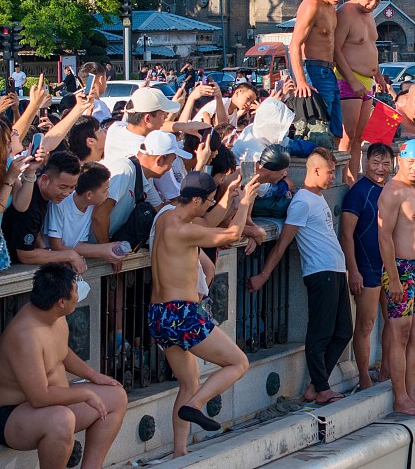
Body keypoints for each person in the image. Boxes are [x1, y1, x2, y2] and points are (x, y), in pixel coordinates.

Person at [149, 171, 257, 457]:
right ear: (195, 199)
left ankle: (179, 452)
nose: (210, 206)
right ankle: (194, 406)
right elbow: (232, 234)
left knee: (189, 381)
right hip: (181, 313)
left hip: (159, 315)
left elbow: (207, 222)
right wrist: (245, 201)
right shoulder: (185, 231)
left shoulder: (166, 217)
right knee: (238, 363)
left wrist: (227, 195)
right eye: (207, 201)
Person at [0, 263, 127, 468]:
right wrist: (86, 394)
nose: (78, 294)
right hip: (7, 415)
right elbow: (40, 397)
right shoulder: (26, 336)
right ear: (61, 302)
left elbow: (62, 352)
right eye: (75, 290)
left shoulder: (53, 314)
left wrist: (94, 376)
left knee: (116, 396)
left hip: (48, 404)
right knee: (62, 420)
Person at [250, 149, 352, 404]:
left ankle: (316, 386)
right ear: (315, 170)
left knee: (343, 332)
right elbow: (283, 243)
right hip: (320, 272)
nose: (332, 177)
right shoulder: (302, 202)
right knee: (320, 334)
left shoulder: (317, 198)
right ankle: (321, 388)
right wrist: (263, 275)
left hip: (336, 270)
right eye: (330, 172)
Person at [376, 139, 415, 416]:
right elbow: (384, 237)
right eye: (411, 162)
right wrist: (394, 277)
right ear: (400, 160)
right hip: (399, 269)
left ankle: (412, 393)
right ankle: (400, 397)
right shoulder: (392, 192)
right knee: (399, 334)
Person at [340, 143, 394, 391]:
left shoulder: (393, 190)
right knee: (366, 323)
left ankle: (385, 370)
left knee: (393, 320)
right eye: (375, 163)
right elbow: (347, 235)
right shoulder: (358, 192)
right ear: (365, 162)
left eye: (385, 163)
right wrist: (354, 270)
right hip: (367, 266)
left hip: (390, 266)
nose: (380, 169)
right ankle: (363, 376)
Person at [334, 0, 389, 183]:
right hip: (348, 79)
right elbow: (336, 51)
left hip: (368, 81)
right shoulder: (346, 12)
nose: (374, 3)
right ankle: (343, 179)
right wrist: (352, 79)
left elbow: (369, 48)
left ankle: (353, 178)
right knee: (347, 136)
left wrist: (379, 76)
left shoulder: (370, 15)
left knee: (359, 137)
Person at [289, 0, 350, 142]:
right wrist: (301, 80)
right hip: (314, 70)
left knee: (336, 128)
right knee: (320, 130)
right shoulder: (312, 6)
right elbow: (294, 45)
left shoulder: (331, 5)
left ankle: (334, 167)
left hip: (329, 71)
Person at [2, 151, 87, 273]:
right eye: (62, 187)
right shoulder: (28, 205)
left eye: (72, 187)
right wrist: (69, 255)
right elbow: (25, 255)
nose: (67, 193)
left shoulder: (42, 195)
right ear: (44, 179)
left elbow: (34, 231)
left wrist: (44, 248)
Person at [46, 162, 127, 264]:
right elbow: (56, 246)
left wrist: (107, 247)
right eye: (104, 191)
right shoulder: (59, 204)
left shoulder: (91, 206)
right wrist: (102, 250)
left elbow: (78, 245)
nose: (108, 194)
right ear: (89, 195)